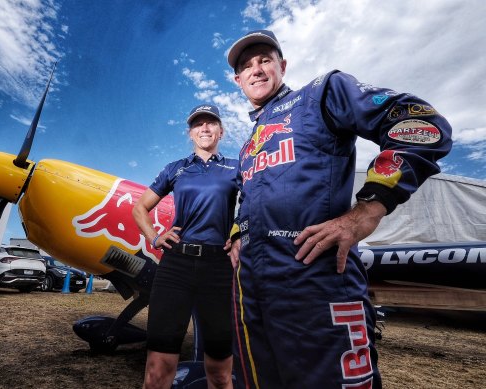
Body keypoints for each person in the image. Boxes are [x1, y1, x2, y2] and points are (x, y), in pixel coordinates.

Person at [225, 30, 452, 388]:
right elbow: (246, 194)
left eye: (265, 59)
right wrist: (238, 231)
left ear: (282, 66)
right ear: (238, 80)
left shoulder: (322, 93)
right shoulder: (248, 144)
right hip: (249, 293)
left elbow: (421, 125)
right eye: (246, 66)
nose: (256, 69)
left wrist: (365, 212)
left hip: (317, 283)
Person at [133, 104, 239, 389]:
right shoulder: (175, 168)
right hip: (176, 267)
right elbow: (140, 208)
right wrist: (155, 237)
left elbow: (259, 199)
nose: (204, 129)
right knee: (158, 372)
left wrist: (241, 231)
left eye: (210, 123)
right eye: (198, 124)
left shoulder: (236, 167)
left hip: (218, 268)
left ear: (220, 131)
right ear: (190, 133)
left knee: (219, 373)